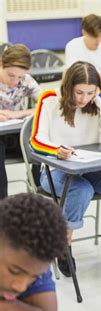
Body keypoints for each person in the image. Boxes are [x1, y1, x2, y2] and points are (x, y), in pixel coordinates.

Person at [30, 61, 101, 276]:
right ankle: (63, 244)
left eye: (90, 93)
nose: (84, 99)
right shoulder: (49, 99)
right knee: (81, 189)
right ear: (68, 87)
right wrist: (57, 150)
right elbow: (35, 140)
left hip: (90, 167)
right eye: (79, 93)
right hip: (55, 171)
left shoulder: (97, 101)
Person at [0, 193, 68, 311]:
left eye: (35, 277)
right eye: (14, 271)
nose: (21, 287)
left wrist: (6, 308)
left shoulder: (31, 262)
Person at [0, 44, 42, 199]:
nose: (15, 81)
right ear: (1, 64)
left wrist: (15, 114)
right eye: (11, 75)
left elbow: (46, 104)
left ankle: (39, 191)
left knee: (40, 143)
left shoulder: (26, 80)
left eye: (19, 77)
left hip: (16, 137)